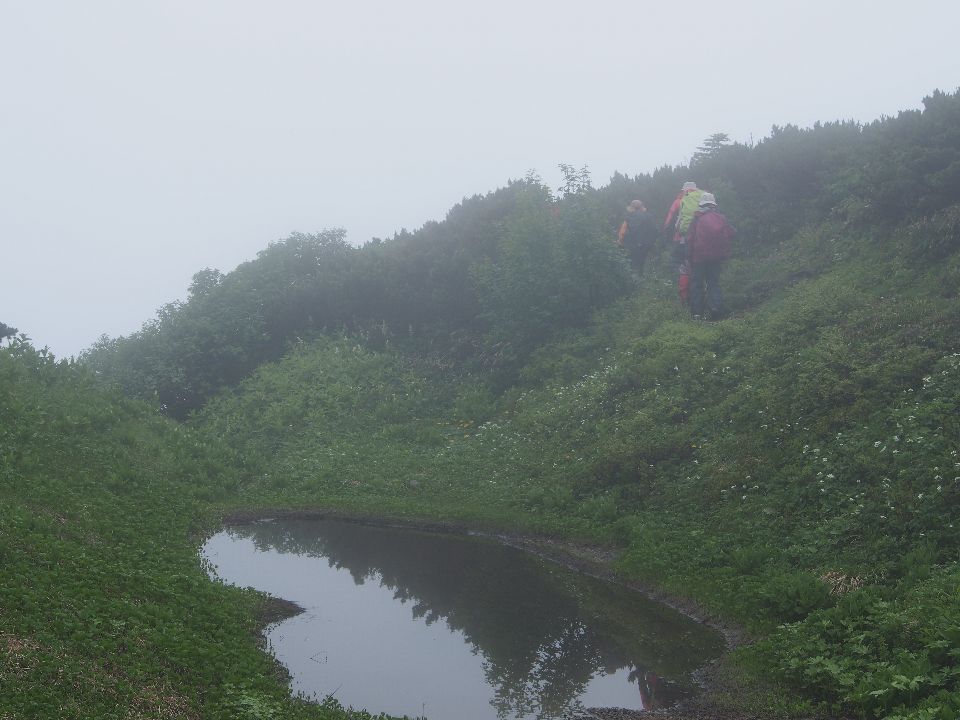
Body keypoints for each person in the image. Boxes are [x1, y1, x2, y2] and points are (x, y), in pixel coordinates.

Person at [685, 192, 735, 320]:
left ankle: (697, 314)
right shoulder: (721, 218)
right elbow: (731, 233)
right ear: (713, 204)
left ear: (701, 204)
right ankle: (716, 310)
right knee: (714, 283)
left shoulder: (697, 219)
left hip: (698, 258)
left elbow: (690, 240)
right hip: (716, 258)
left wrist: (688, 258)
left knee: (697, 284)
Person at [617, 199, 657, 274]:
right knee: (640, 265)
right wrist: (651, 243)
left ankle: (630, 281)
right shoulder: (649, 216)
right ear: (642, 207)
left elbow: (622, 232)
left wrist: (620, 242)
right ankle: (640, 281)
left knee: (630, 265)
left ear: (631, 208)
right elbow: (655, 230)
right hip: (644, 246)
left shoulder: (628, 217)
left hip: (630, 245)